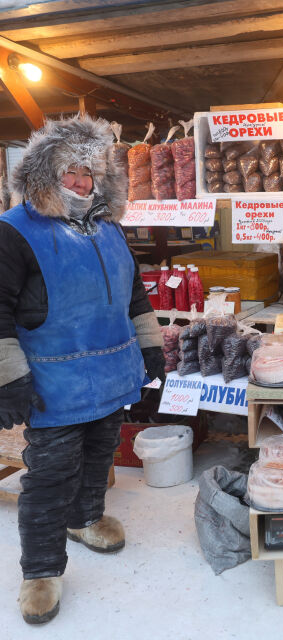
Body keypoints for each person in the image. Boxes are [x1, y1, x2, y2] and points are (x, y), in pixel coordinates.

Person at [0, 114, 166, 624]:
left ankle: (86, 518)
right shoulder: (14, 232)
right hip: (54, 383)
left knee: (99, 456)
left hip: (111, 376)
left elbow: (135, 294)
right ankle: (41, 573)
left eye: (88, 174)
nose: (78, 182)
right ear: (45, 173)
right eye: (69, 171)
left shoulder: (109, 230)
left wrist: (151, 347)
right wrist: (10, 377)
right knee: (50, 477)